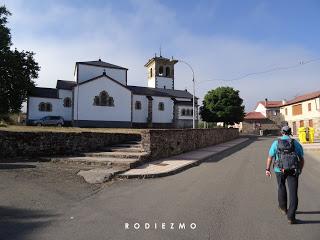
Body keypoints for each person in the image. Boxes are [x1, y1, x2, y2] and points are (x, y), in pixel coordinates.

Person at [265, 126, 304, 224]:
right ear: (290, 133)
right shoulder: (295, 143)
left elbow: (270, 157)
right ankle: (291, 217)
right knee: (293, 192)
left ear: (282, 132)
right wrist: (299, 169)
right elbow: (301, 158)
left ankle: (283, 208)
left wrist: (267, 169)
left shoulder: (276, 143)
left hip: (279, 169)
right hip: (293, 170)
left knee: (281, 186)